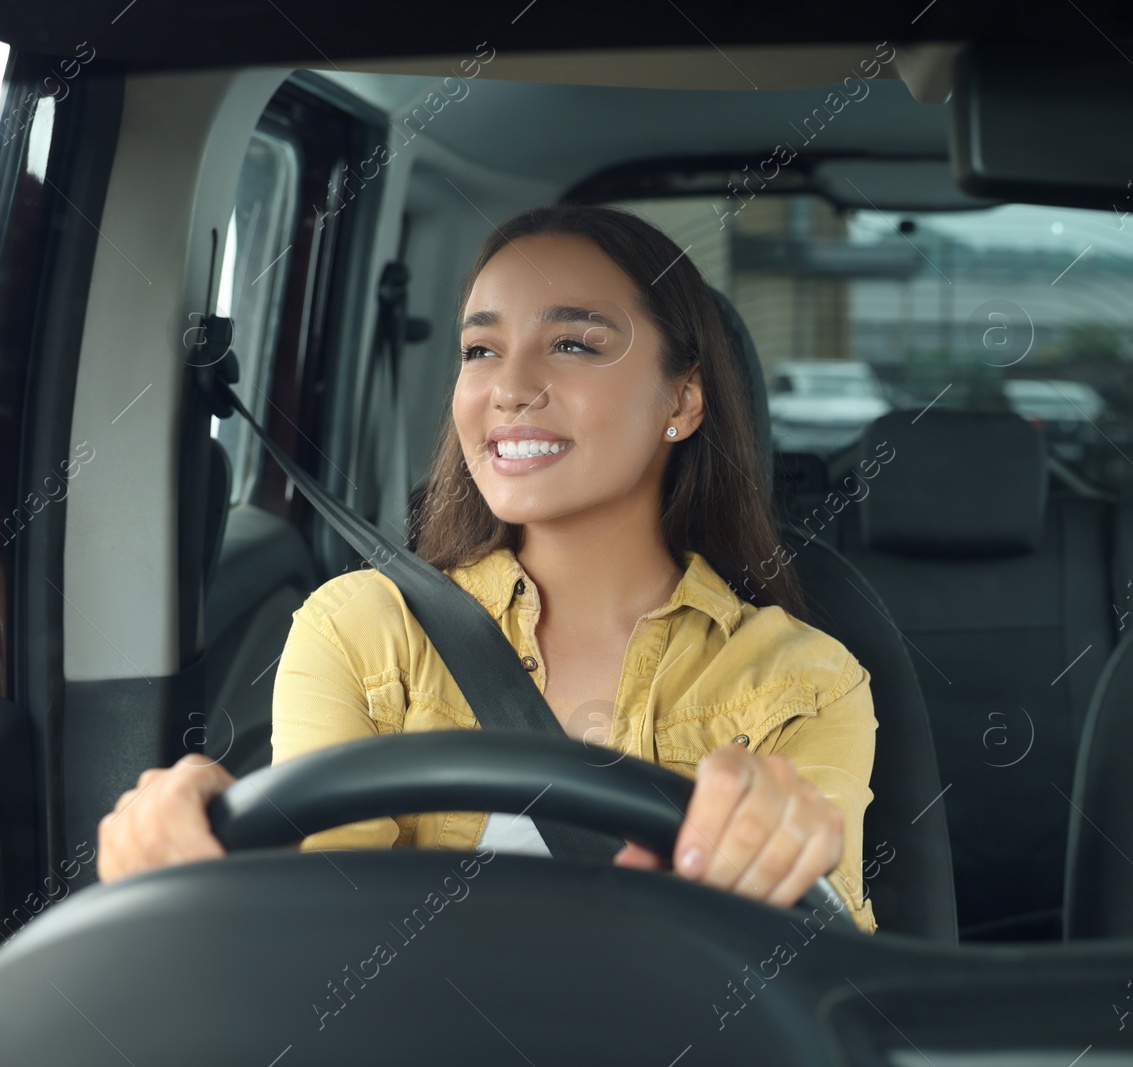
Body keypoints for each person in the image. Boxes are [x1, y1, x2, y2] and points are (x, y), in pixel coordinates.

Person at [97, 204, 878, 934]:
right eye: (480, 350)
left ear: (682, 399)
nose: (508, 388)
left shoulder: (804, 682)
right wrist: (214, 855)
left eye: (572, 344)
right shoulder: (361, 630)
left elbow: (816, 978)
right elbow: (315, 935)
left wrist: (782, 850)